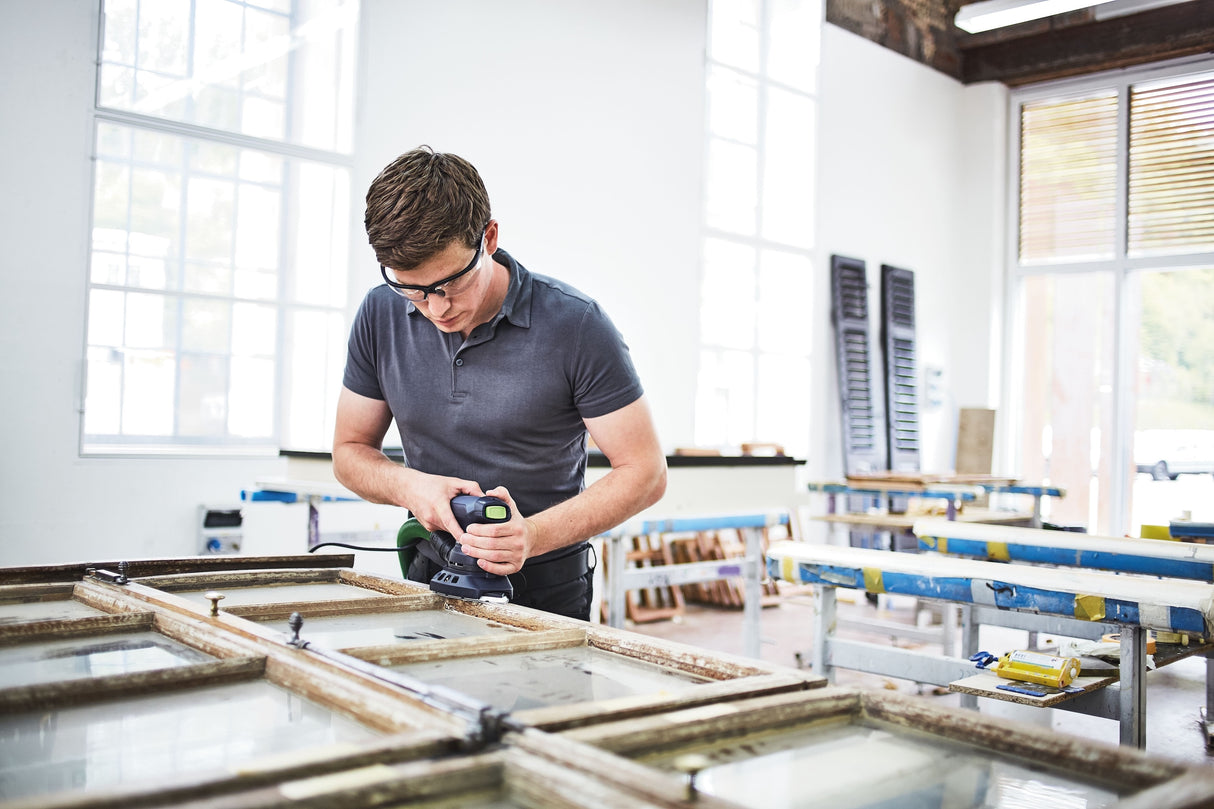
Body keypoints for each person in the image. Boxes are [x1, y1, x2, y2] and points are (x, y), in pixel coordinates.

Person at [333, 146, 667, 621]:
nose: (436, 308)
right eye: (412, 289)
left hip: (547, 585)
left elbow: (646, 472)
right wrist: (410, 488)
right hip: (429, 573)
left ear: (488, 238)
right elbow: (348, 452)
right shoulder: (379, 314)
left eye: (450, 283)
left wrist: (531, 536)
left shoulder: (577, 325)